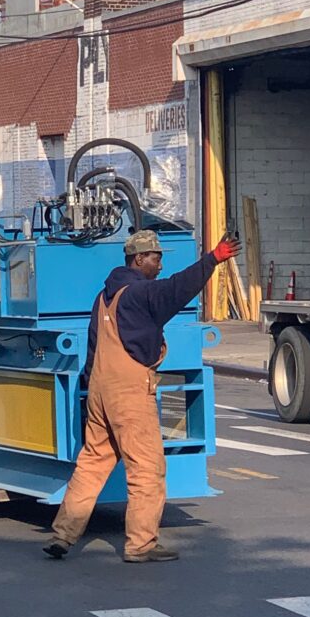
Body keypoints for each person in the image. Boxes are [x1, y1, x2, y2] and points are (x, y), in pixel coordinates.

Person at [44, 229, 242, 564]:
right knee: (146, 468)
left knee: (92, 463)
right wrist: (213, 259)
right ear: (139, 259)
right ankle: (140, 545)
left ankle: (64, 534)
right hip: (129, 390)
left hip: (100, 389)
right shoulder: (139, 294)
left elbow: (93, 348)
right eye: (156, 257)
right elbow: (177, 289)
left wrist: (90, 396)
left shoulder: (104, 297)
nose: (161, 264)